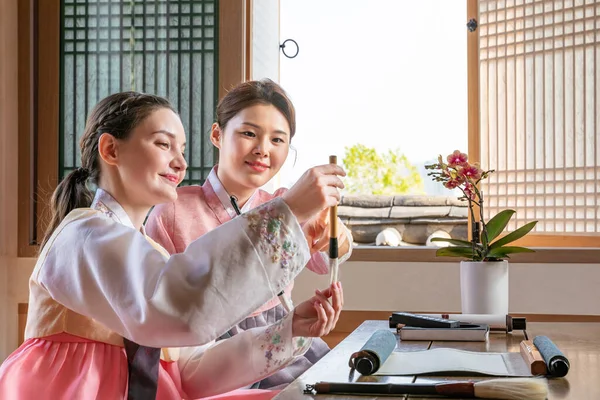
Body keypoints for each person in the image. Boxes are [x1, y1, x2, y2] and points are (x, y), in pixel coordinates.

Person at [0, 91, 346, 400]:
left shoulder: (151, 250)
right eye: (164, 144)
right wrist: (290, 211)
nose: (180, 163)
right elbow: (179, 307)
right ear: (111, 149)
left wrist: (291, 330)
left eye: (181, 149)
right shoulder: (82, 234)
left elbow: (189, 369)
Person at [146, 79, 353, 389]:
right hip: (206, 354)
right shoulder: (172, 209)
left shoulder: (284, 204)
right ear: (217, 134)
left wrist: (336, 232)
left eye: (278, 140)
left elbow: (325, 261)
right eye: (248, 134)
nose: (262, 150)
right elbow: (160, 301)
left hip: (285, 339)